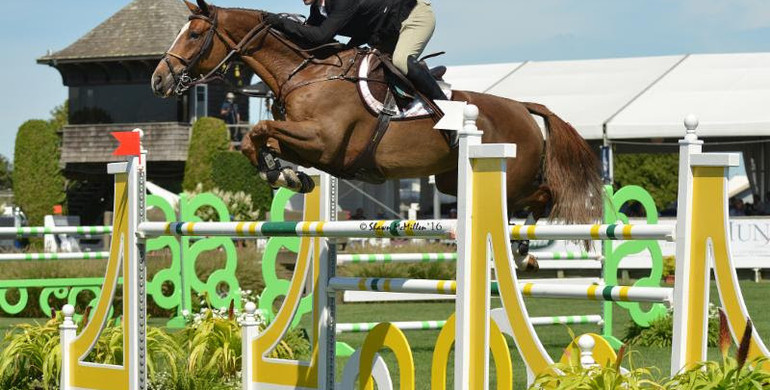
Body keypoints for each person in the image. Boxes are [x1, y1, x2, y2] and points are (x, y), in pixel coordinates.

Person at [264, 0, 446, 102]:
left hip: (413, 17)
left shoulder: (342, 2)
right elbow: (307, 38)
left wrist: (280, 21)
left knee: (400, 61)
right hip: (384, 33)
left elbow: (320, 36)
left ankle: (446, 106)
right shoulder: (317, 10)